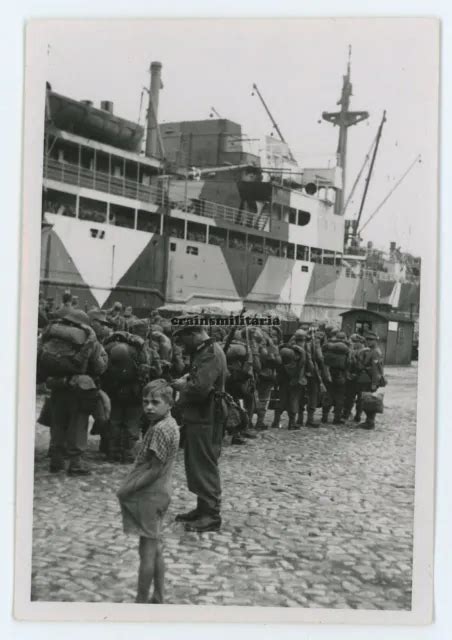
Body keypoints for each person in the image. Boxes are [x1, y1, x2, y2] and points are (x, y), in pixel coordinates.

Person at [117, 380, 180, 604]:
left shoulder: (161, 430)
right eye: (145, 402)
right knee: (156, 548)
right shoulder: (168, 424)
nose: (149, 407)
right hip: (161, 492)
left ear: (170, 403)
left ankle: (141, 602)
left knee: (147, 553)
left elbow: (154, 470)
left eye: (155, 402)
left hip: (150, 495)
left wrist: (127, 489)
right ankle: (159, 596)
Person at [37, 308, 108, 475]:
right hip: (78, 389)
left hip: (56, 386)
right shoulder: (88, 337)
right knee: (78, 425)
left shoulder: (53, 335)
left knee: (58, 424)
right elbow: (98, 367)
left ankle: (56, 462)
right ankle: (75, 464)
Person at [172, 321, 228, 533]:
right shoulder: (205, 351)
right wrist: (188, 378)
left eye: (183, 339)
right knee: (197, 463)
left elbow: (199, 389)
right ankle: (203, 508)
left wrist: (181, 385)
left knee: (204, 464)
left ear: (195, 333)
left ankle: (211, 516)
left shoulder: (210, 353)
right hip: (201, 414)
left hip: (207, 414)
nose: (181, 345)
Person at [101, 320, 152, 463]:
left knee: (115, 420)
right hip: (134, 392)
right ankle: (128, 453)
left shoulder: (112, 345)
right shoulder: (141, 348)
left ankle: (112, 452)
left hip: (114, 390)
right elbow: (147, 370)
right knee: (132, 422)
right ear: (145, 331)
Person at [272, 334, 307, 430]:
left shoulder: (283, 351)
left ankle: (275, 422)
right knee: (294, 401)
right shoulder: (300, 353)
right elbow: (303, 364)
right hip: (295, 381)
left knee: (281, 400)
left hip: (283, 380)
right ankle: (292, 424)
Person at [356, 331, 386, 429]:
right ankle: (369, 421)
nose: (368, 341)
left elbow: (375, 369)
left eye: (370, 340)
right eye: (367, 340)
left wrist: (374, 383)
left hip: (370, 379)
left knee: (369, 401)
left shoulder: (375, 352)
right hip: (367, 379)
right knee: (366, 399)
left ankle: (370, 422)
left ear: (376, 340)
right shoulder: (371, 350)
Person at [321, 330, 350, 425]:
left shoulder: (329, 346)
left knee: (328, 395)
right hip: (341, 375)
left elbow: (323, 359)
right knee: (340, 397)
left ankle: (324, 416)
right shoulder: (346, 348)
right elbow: (349, 362)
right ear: (345, 338)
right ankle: (337, 418)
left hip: (328, 373)